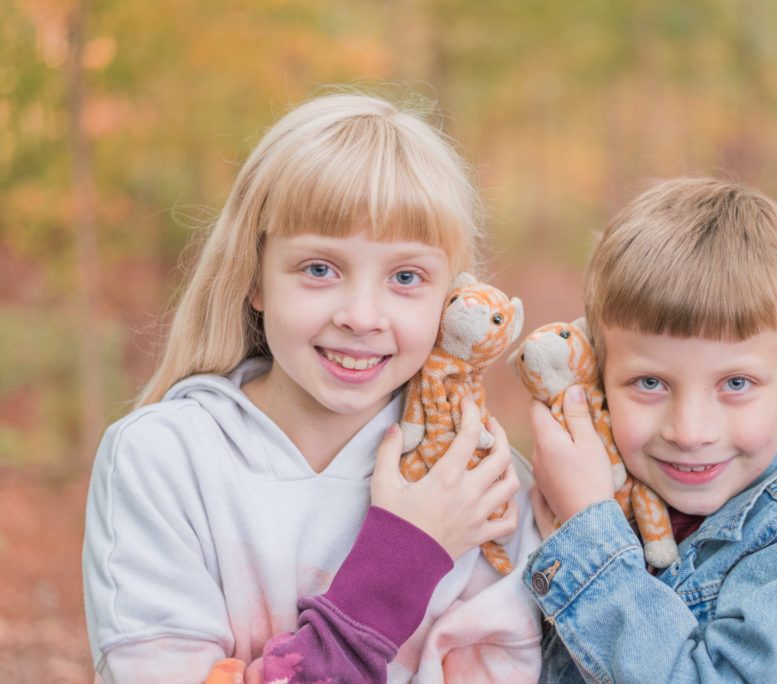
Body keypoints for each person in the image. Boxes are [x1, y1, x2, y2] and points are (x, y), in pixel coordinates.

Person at [82, 90, 542, 683]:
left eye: (406, 276)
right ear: (254, 277)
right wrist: (408, 554)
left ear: (452, 299)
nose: (361, 315)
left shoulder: (476, 481)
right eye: (319, 269)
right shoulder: (163, 461)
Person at [523, 177, 777, 682]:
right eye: (649, 382)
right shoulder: (599, 487)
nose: (689, 432)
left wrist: (589, 535)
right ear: (597, 376)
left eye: (735, 382)